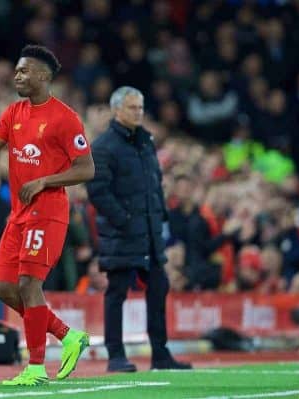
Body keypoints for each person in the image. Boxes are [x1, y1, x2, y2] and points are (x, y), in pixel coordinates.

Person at [0, 45, 95, 386]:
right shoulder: (12, 113)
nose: (17, 76)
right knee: (7, 290)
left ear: (43, 76)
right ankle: (68, 336)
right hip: (17, 215)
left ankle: (35, 367)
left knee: (28, 285)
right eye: (17, 71)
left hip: (48, 212)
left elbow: (86, 169)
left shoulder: (65, 118)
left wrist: (45, 180)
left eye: (24, 71)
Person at [85, 86, 192, 372]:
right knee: (117, 292)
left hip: (149, 233)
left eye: (141, 108)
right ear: (116, 110)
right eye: (133, 108)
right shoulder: (104, 146)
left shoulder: (146, 142)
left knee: (159, 289)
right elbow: (97, 191)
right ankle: (115, 355)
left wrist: (160, 217)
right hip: (122, 234)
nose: (138, 113)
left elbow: (154, 185)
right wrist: (124, 220)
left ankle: (160, 353)